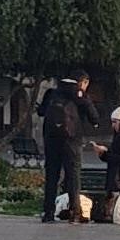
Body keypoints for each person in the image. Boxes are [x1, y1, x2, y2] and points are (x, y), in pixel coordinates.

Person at [40, 73, 92, 224]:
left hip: (51, 141)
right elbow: (93, 115)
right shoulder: (79, 95)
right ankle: (75, 213)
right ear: (82, 82)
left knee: (52, 176)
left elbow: (41, 111)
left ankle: (48, 212)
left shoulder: (51, 93)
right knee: (73, 176)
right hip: (72, 141)